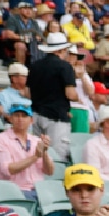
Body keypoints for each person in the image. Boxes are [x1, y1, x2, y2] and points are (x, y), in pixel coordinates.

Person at [27, 33, 79, 164]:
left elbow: (27, 93)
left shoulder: (35, 65)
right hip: (56, 116)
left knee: (37, 154)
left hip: (36, 114)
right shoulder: (65, 66)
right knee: (57, 156)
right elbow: (70, 94)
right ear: (61, 50)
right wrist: (78, 98)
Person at [0, 102, 54, 200]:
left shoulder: (36, 140)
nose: (20, 119)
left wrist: (44, 152)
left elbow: (49, 171)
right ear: (10, 118)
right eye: (16, 115)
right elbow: (7, 170)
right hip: (15, 191)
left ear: (31, 120)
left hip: (40, 190)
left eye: (24, 116)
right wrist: (35, 157)